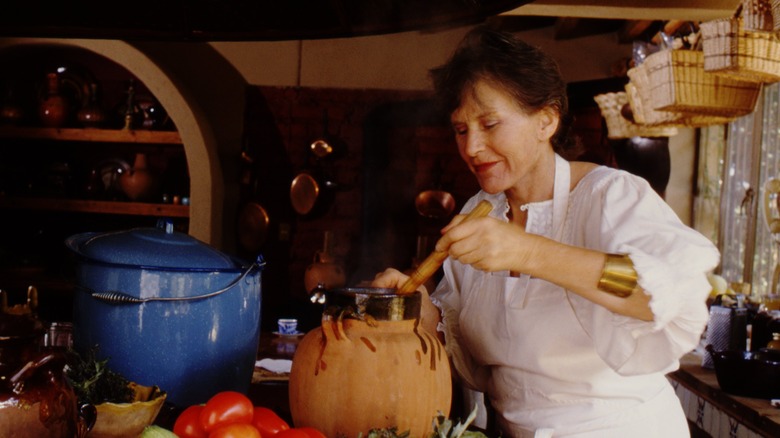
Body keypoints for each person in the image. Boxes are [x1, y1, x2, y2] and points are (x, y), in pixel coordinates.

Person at [371, 25, 720, 437]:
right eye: (461, 129)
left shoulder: (610, 196)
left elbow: (664, 294)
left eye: (490, 123)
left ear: (547, 120)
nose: (471, 148)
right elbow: (470, 352)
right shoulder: (477, 214)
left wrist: (529, 253)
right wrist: (421, 312)